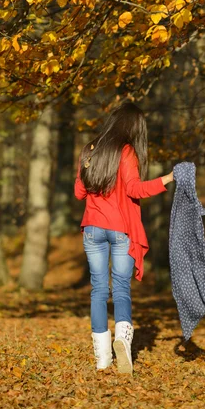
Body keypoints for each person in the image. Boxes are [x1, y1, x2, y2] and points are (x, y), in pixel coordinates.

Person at [74, 101, 174, 374]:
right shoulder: (127, 151)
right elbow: (135, 190)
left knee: (98, 290)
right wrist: (167, 178)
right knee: (120, 289)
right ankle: (122, 341)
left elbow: (79, 193)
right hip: (120, 231)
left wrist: (85, 168)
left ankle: (103, 358)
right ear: (133, 127)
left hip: (93, 230)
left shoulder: (90, 150)